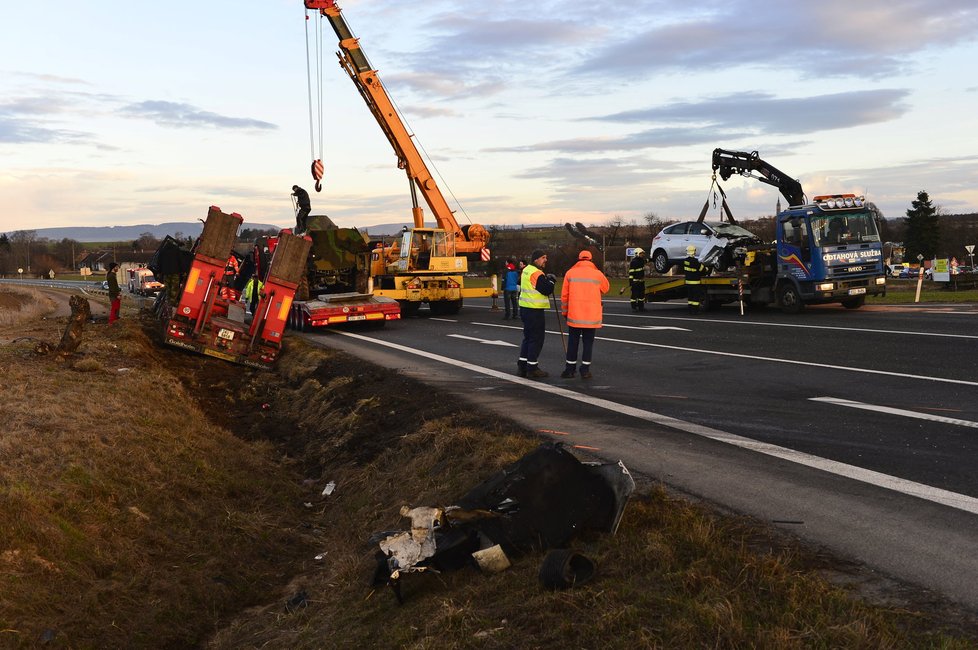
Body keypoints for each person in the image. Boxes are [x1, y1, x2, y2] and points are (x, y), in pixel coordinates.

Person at [560, 250, 609, 379]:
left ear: (578, 259)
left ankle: (570, 370)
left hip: (575, 315)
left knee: (573, 342)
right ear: (591, 260)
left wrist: (565, 312)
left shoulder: (570, 273)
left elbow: (564, 296)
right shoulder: (597, 274)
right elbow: (606, 288)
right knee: (588, 344)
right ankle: (585, 370)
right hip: (591, 317)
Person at [517, 249, 557, 379]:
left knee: (528, 338)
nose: (546, 260)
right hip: (534, 310)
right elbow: (546, 290)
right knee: (536, 339)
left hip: (525, 308)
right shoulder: (536, 273)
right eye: (543, 257)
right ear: (536, 259)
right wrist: (551, 281)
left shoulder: (526, 270)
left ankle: (522, 366)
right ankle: (532, 368)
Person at [683, 245, 708, 314]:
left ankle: (690, 310)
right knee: (696, 298)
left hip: (688, 282)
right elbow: (702, 270)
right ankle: (695, 311)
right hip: (695, 283)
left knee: (690, 297)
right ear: (694, 252)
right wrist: (706, 269)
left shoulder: (685, 261)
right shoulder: (695, 261)